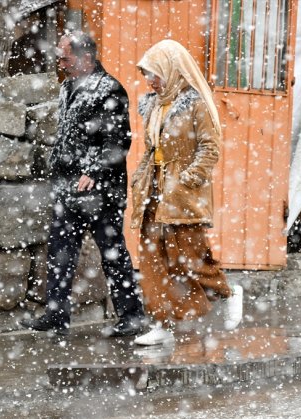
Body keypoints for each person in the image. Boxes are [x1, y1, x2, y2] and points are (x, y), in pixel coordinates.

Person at [20, 31, 145, 337]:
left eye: (65, 57)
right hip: (67, 187)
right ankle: (56, 314)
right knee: (60, 252)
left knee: (112, 253)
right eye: (60, 57)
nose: (60, 63)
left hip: (101, 191)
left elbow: (119, 140)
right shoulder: (66, 87)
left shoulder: (110, 88)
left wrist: (94, 171)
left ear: (86, 57)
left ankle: (132, 315)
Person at [130, 39, 243, 346]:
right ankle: (161, 322)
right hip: (153, 191)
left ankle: (226, 292)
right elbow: (153, 150)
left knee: (189, 254)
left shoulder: (196, 104)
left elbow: (209, 148)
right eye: (146, 74)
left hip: (181, 194)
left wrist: (187, 180)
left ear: (172, 70)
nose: (150, 80)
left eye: (155, 73)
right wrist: (141, 177)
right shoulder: (153, 105)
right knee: (153, 259)